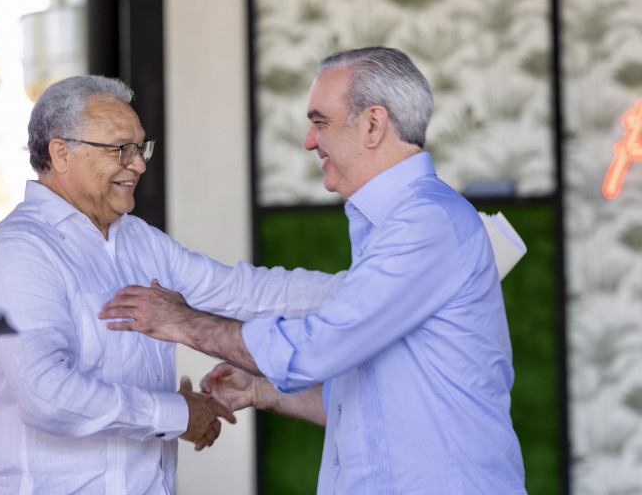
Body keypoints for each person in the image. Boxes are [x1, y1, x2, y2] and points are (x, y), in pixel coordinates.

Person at [99, 47, 528, 494]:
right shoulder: (397, 223)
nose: (308, 141)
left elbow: (316, 348)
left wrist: (183, 322)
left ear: (373, 124)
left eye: (320, 121)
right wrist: (261, 391)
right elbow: (374, 405)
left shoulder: (426, 221)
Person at [0, 75, 345, 494]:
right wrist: (178, 414)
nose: (139, 165)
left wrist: (367, 291)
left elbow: (247, 294)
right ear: (61, 154)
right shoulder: (20, 249)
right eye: (121, 149)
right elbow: (46, 395)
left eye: (141, 148)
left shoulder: (139, 240)